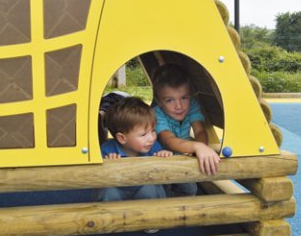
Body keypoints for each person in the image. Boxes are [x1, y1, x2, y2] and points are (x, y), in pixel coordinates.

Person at [152, 63, 220, 196]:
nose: (179, 106)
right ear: (159, 101)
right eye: (170, 100)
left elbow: (200, 131)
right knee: (159, 192)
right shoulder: (156, 113)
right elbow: (168, 140)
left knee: (190, 189)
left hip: (182, 157)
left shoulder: (192, 105)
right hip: (160, 160)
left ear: (190, 95)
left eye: (184, 98)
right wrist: (197, 147)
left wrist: (201, 147)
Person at [93, 97, 172, 203]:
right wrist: (109, 164)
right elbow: (97, 177)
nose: (152, 138)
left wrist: (163, 156)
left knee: (149, 189)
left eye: (153, 131)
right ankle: (112, 217)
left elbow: (164, 172)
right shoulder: (107, 149)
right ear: (122, 138)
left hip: (144, 190)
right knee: (108, 192)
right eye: (144, 134)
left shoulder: (153, 146)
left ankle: (151, 217)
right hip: (119, 190)